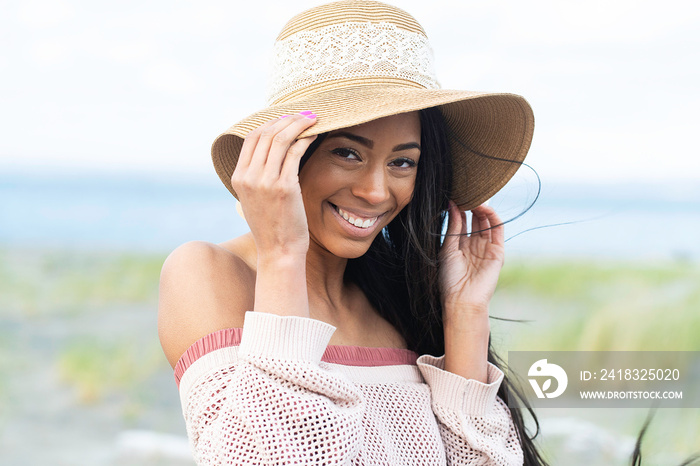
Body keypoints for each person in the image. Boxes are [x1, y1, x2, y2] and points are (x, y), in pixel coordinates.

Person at [158, 1, 546, 464]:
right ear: (285, 157)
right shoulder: (208, 273)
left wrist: (464, 313)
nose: (376, 191)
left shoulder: (398, 305)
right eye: (347, 153)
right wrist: (282, 254)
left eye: (403, 162)